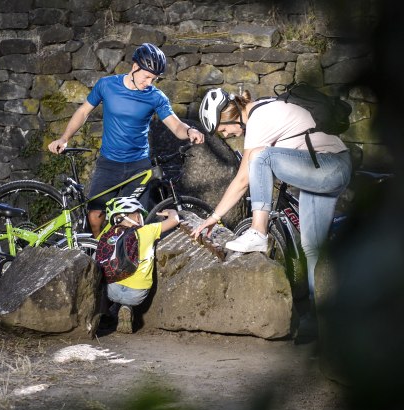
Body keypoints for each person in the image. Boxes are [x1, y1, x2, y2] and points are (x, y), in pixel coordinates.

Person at [193, 87, 352, 341]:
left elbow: (243, 179)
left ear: (230, 115)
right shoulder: (266, 107)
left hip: (328, 167)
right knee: (313, 248)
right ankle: (319, 320)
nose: (227, 135)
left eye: (223, 129)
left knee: (261, 158)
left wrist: (213, 217)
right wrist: (214, 217)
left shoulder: (259, 118)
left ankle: (258, 231)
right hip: (327, 167)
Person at [48, 43, 204, 238]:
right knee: (95, 216)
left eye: (154, 79)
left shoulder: (156, 97)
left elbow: (175, 125)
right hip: (109, 164)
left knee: (131, 221)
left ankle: (122, 262)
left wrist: (189, 131)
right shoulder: (107, 85)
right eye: (147, 76)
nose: (149, 82)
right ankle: (97, 253)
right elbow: (83, 112)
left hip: (138, 166)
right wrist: (64, 138)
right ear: (135, 66)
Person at [101, 196, 180, 333]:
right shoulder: (147, 231)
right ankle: (127, 307)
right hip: (136, 294)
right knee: (136, 282)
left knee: (104, 280)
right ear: (137, 217)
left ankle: (104, 312)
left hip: (111, 291)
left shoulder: (110, 234)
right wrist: (170, 212)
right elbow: (175, 220)